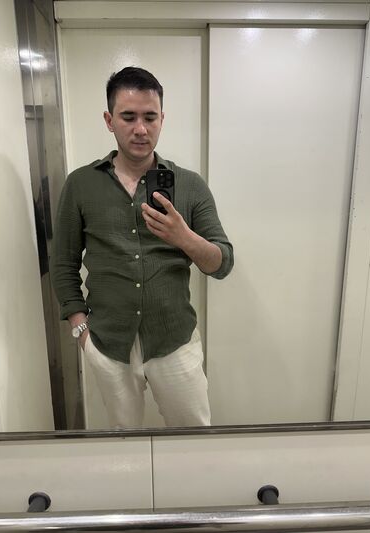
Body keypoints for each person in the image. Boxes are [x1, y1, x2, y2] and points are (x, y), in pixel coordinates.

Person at [51, 67, 233, 428]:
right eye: (128, 116)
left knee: (194, 438)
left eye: (150, 117)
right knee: (125, 443)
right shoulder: (80, 185)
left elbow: (222, 263)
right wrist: (81, 332)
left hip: (174, 341)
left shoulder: (190, 185)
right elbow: (63, 264)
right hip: (108, 344)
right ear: (109, 120)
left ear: (162, 119)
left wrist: (183, 237)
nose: (140, 128)